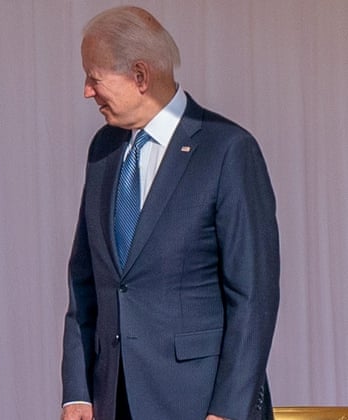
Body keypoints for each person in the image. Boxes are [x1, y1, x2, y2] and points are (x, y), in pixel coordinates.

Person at [61, 6, 279, 420]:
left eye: (94, 77)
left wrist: (229, 411)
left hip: (199, 405)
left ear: (140, 76)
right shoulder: (103, 151)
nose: (87, 91)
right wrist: (77, 392)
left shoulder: (227, 150)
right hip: (113, 401)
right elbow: (84, 282)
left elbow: (254, 298)